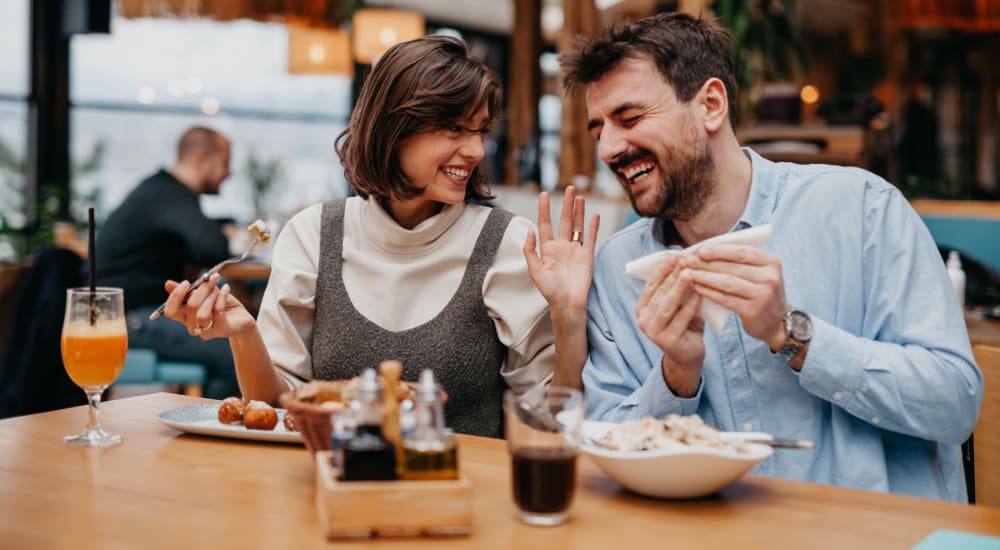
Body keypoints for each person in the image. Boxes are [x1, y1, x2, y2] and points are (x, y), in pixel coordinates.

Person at [526, 13, 983, 502]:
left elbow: (955, 403)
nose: (609, 148)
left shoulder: (863, 209)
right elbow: (602, 439)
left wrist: (793, 334)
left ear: (711, 105)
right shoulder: (617, 270)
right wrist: (676, 376)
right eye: (598, 131)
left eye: (630, 118)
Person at [161, 36, 582, 438]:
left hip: (461, 494)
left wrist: (567, 317)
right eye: (454, 129)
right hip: (331, 486)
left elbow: (548, 418)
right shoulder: (313, 235)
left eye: (481, 131)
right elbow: (276, 409)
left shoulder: (507, 243)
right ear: (393, 129)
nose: (475, 151)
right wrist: (244, 335)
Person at [96, 126, 239, 399]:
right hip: (129, 317)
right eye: (225, 163)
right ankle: (211, 432)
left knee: (233, 340)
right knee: (234, 352)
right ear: (201, 159)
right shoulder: (170, 194)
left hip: (132, 312)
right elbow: (213, 246)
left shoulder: (159, 192)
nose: (228, 173)